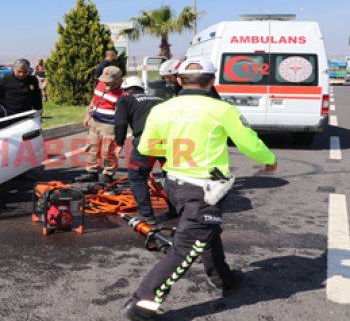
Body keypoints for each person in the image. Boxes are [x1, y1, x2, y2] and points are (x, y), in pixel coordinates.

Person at [123, 59, 277, 320]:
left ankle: (223, 279)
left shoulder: (162, 109)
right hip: (205, 188)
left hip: (174, 183)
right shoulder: (222, 109)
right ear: (212, 81)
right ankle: (143, 302)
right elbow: (249, 143)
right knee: (186, 245)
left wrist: (173, 151)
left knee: (207, 230)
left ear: (179, 80)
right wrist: (269, 160)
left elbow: (146, 148)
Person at [113, 76, 164, 224]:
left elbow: (120, 123)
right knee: (171, 177)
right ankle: (176, 209)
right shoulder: (160, 98)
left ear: (125, 90)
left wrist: (119, 143)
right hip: (170, 140)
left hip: (147, 141)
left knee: (137, 176)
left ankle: (147, 215)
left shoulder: (125, 100)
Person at [75, 66, 124, 184]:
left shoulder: (123, 92)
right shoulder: (101, 84)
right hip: (95, 123)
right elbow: (94, 99)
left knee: (108, 151)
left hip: (110, 126)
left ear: (118, 79)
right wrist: (88, 115)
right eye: (104, 79)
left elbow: (124, 113)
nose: (105, 82)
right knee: (92, 148)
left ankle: (108, 174)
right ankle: (91, 172)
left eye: (109, 80)